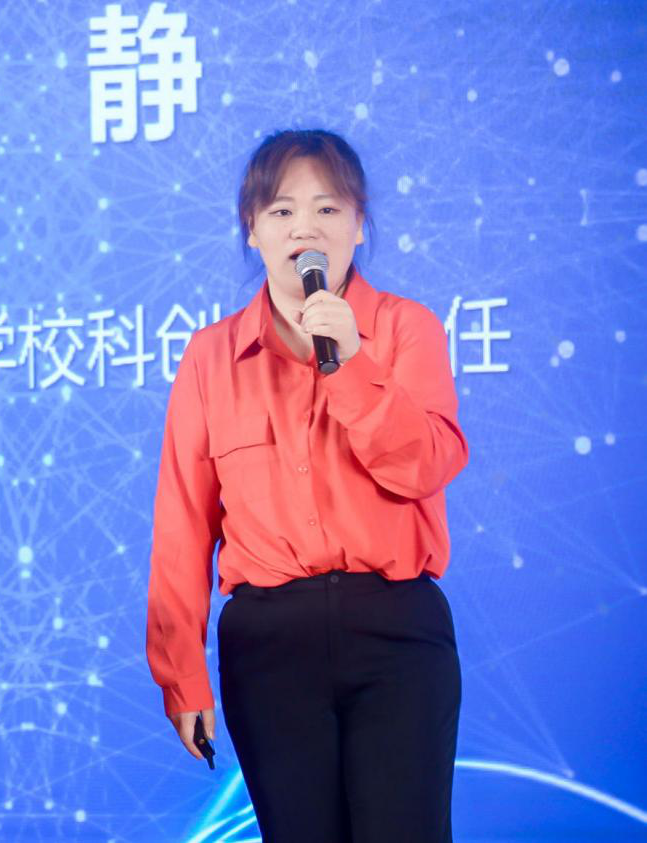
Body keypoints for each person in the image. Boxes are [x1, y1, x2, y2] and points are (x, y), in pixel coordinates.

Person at [146, 128, 468, 843]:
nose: (305, 229)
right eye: (282, 211)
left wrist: (351, 362)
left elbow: (422, 466)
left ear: (358, 224)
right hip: (269, 645)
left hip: (395, 632)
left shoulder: (405, 329)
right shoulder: (209, 358)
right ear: (252, 229)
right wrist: (180, 673)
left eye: (327, 209)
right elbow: (182, 524)